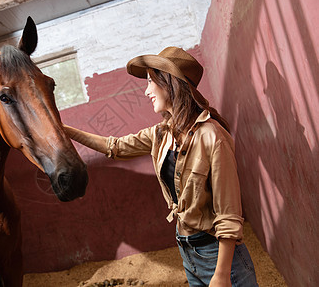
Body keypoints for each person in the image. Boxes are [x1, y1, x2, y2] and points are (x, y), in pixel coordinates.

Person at [64, 47, 259, 286]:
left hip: (218, 257)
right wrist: (64, 130)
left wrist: (221, 274)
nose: (146, 91)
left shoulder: (212, 137)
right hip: (187, 251)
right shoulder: (161, 134)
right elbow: (113, 146)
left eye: (150, 82)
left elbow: (228, 214)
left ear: (169, 83)